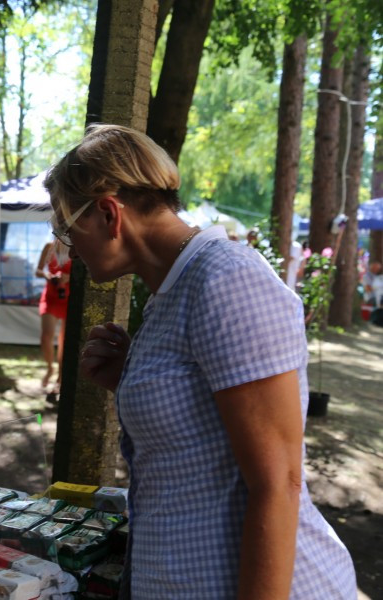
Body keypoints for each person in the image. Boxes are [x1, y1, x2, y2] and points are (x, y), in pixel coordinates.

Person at [44, 123, 356, 599]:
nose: (68, 249)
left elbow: (279, 483)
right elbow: (201, 425)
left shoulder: (227, 281)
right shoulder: (173, 289)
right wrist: (133, 377)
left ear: (109, 213)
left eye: (67, 230)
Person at [35, 240, 71, 390]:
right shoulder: (49, 247)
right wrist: (48, 275)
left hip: (69, 297)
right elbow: (37, 271)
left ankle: (62, 376)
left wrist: (68, 277)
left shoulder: (76, 246)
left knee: (64, 340)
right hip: (50, 296)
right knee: (46, 336)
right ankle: (50, 368)